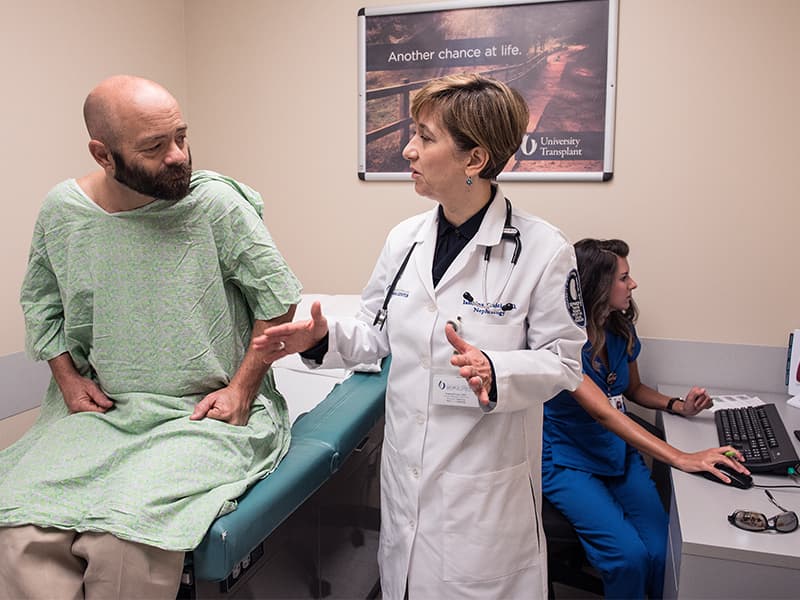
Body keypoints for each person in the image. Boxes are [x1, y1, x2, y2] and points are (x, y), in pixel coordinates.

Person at [251, 73, 587, 599]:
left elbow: (564, 363)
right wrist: (320, 338)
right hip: (406, 480)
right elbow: (374, 335)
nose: (408, 149)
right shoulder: (404, 240)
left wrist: (497, 370)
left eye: (426, 138)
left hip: (483, 497)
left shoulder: (544, 251)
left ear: (474, 160)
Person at [0, 75, 302, 599]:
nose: (177, 156)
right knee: (22, 523)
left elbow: (277, 302)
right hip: (104, 411)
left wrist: (243, 388)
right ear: (103, 154)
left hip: (200, 414)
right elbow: (40, 300)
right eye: (155, 147)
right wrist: (68, 381)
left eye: (182, 137)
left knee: (126, 536)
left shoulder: (214, 206)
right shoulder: (63, 212)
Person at [541, 238, 749, 600]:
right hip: (567, 461)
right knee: (628, 557)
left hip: (616, 453)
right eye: (624, 278)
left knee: (659, 549)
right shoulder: (563, 343)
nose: (632, 285)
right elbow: (602, 412)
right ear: (596, 285)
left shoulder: (620, 330)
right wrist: (682, 457)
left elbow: (632, 389)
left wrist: (678, 405)